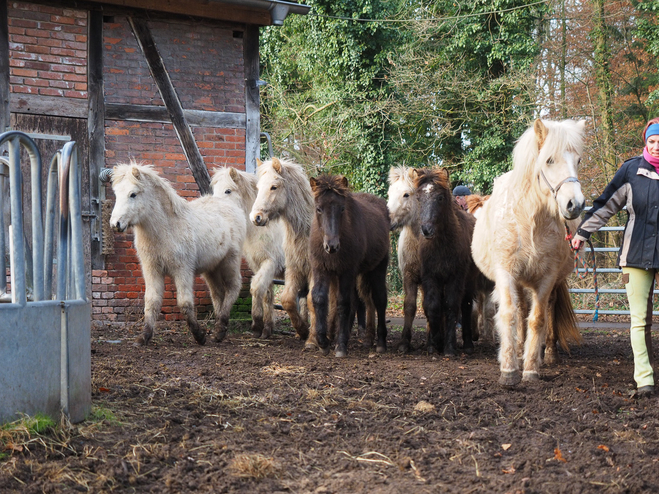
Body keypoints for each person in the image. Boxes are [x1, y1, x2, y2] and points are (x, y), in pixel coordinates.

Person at [572, 117, 659, 397]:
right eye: (652, 141)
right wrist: (582, 232)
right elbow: (605, 205)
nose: (657, 146)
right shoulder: (631, 171)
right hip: (636, 255)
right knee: (639, 320)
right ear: (646, 142)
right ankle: (644, 378)